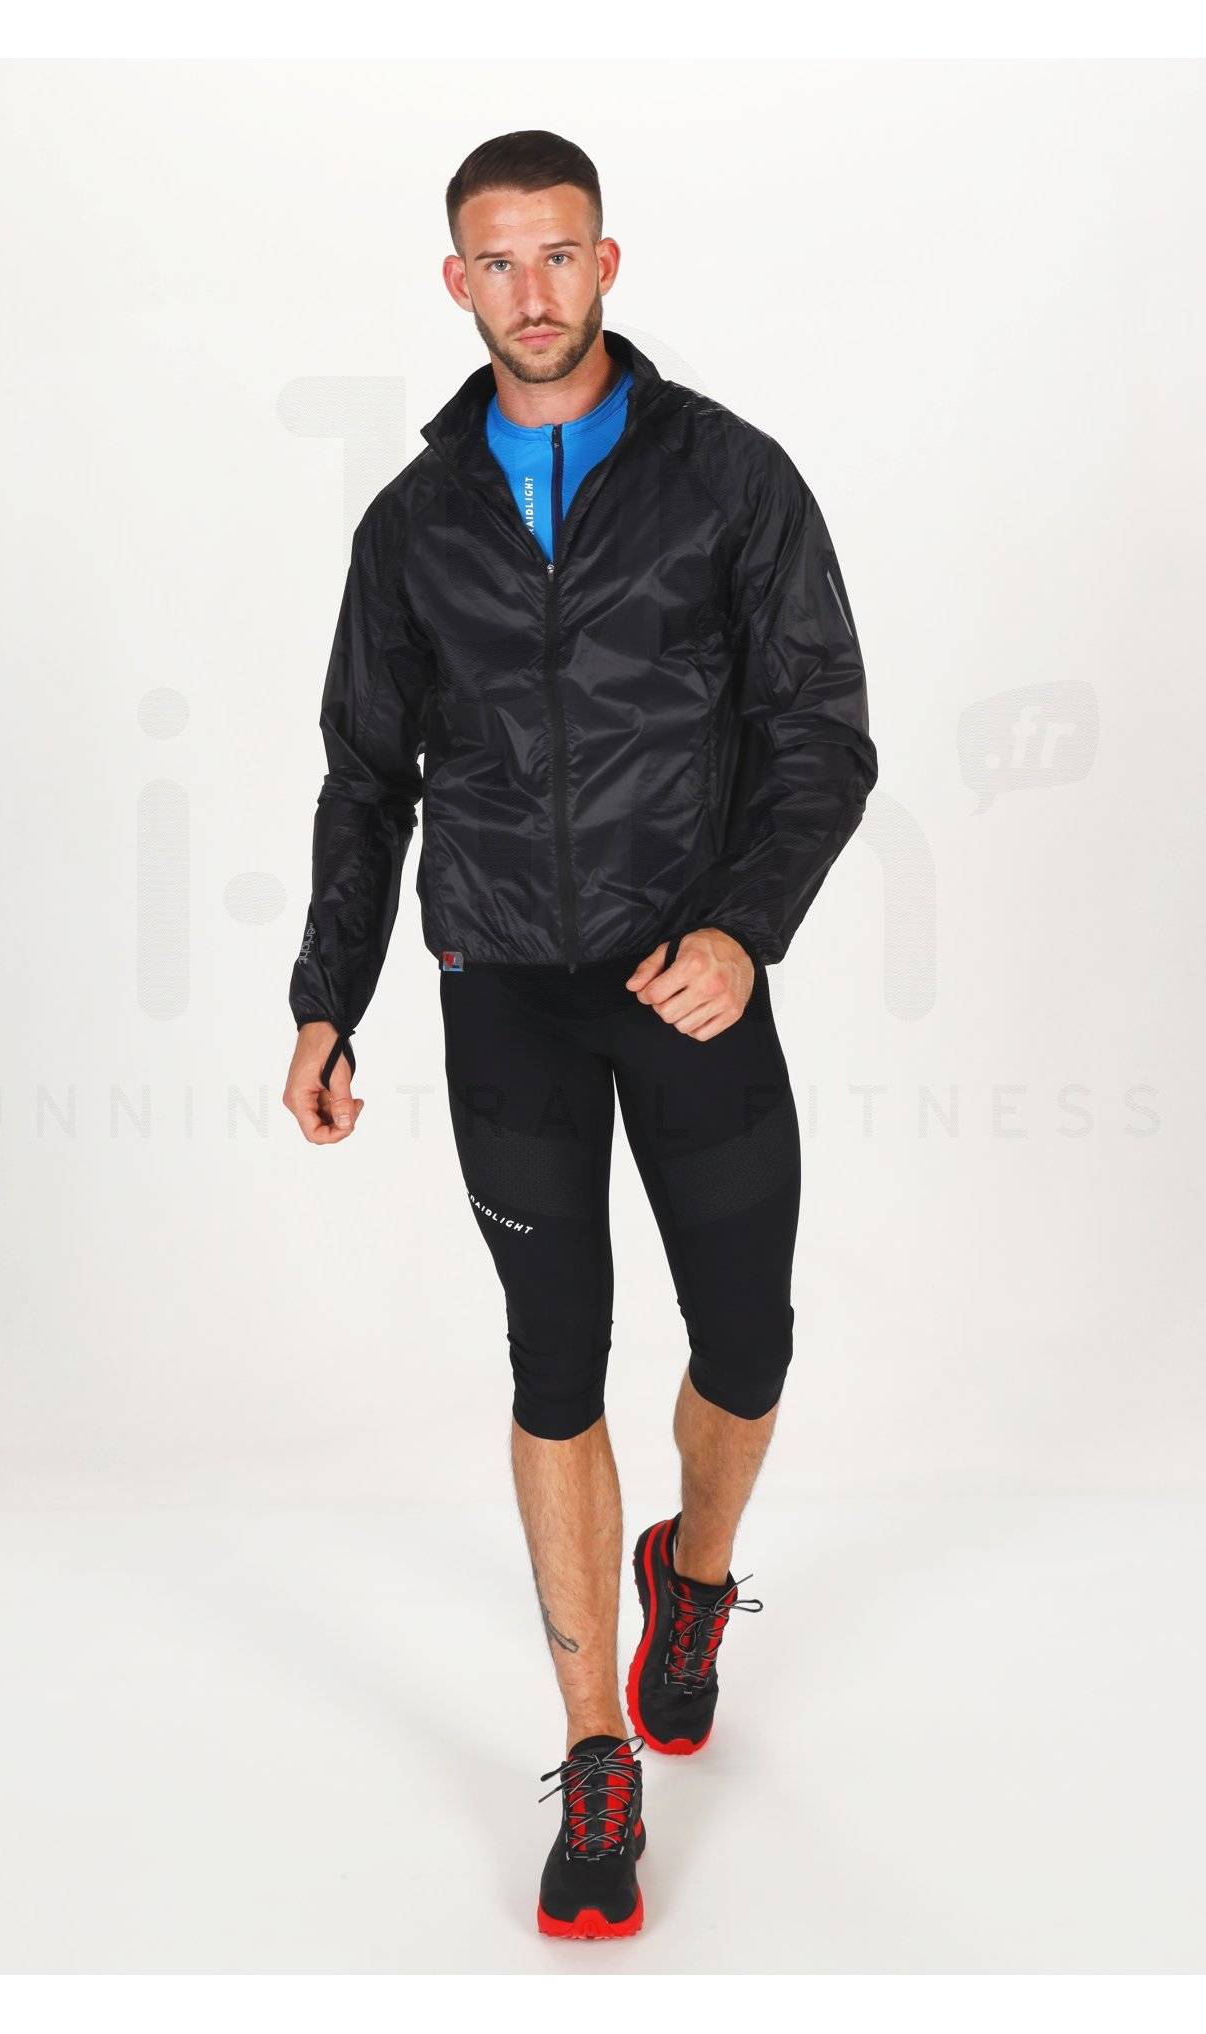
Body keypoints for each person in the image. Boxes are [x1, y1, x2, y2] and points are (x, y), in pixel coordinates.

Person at [282, 129, 878, 1940]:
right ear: (454, 281)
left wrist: (743, 930)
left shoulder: (729, 479)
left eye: (558, 255)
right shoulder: (414, 524)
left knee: (748, 1340)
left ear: (608, 261)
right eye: (497, 261)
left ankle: (692, 1576)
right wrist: (326, 995)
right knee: (556, 1359)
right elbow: (366, 777)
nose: (530, 291)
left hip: (687, 972)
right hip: (506, 990)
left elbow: (823, 731)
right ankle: (593, 1746)